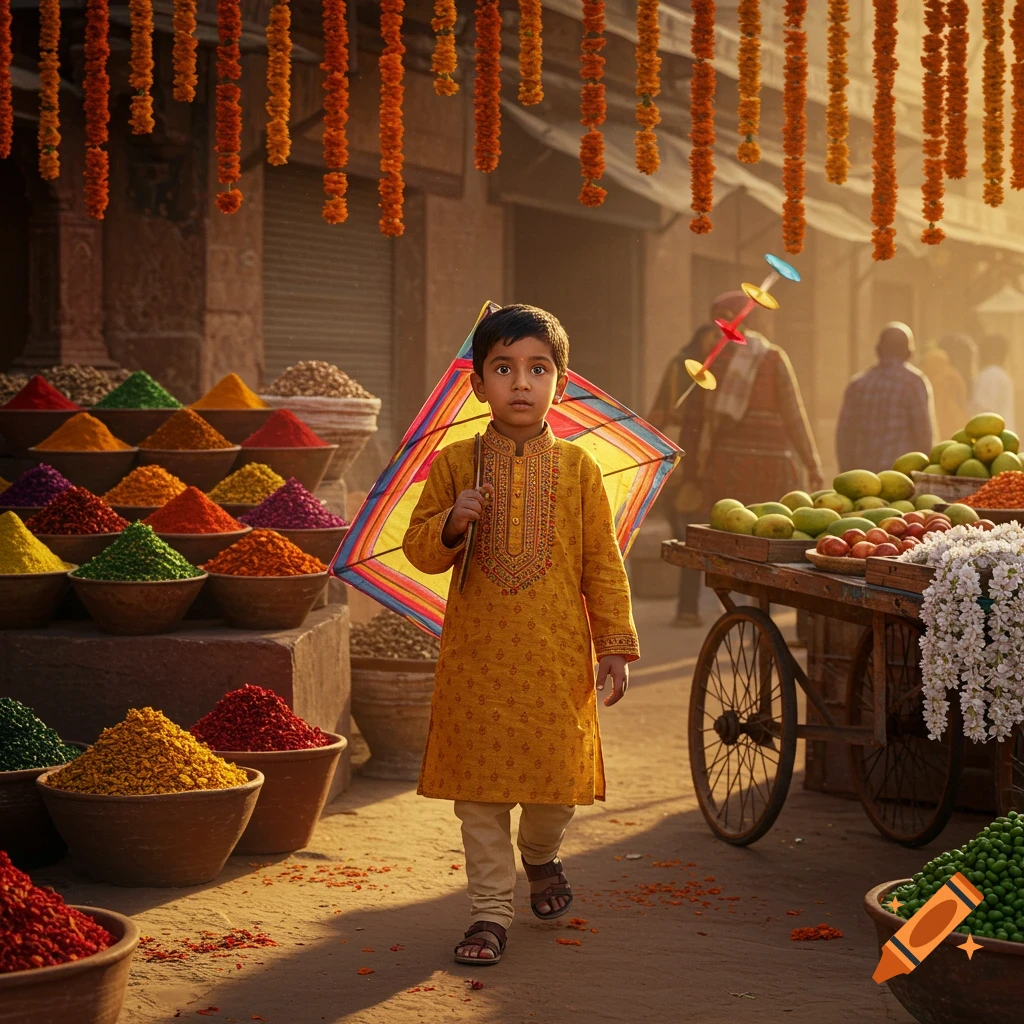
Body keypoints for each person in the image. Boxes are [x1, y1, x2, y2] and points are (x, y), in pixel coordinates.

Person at [403, 304, 638, 966]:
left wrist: (614, 644)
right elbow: (419, 550)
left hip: (555, 659)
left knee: (553, 789)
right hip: (477, 660)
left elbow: (603, 564)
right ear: (477, 383)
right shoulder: (454, 465)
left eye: (538, 369)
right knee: (478, 798)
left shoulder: (581, 469)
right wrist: (453, 519)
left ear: (560, 382)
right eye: (503, 368)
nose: (521, 383)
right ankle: (488, 915)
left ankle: (541, 856)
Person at [695, 291, 825, 507]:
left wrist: (693, 471)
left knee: (729, 527)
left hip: (726, 467)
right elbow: (794, 416)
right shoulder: (772, 357)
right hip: (770, 467)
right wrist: (812, 465)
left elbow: (698, 418)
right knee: (768, 529)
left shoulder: (713, 360)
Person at [648, 319, 720, 628]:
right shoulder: (680, 367)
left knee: (692, 536)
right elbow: (658, 412)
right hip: (678, 466)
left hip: (700, 469)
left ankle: (690, 605)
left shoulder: (718, 378)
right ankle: (687, 606)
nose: (712, 346)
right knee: (686, 536)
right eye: (709, 340)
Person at [836, 322, 936, 474]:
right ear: (909, 353)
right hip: (900, 477)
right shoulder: (914, 382)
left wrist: (845, 471)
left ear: (877, 350)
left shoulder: (858, 384)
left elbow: (844, 434)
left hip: (862, 478)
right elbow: (923, 434)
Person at [973, 334, 1016, 432]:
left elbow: (984, 412)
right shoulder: (1002, 374)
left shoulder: (989, 375)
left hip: (991, 438)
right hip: (1003, 435)